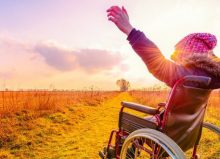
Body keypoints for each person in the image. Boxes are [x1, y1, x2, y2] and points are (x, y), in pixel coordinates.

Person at [106, 6, 220, 89]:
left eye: (181, 53)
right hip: (187, 121)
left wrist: (130, 31)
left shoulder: (191, 76)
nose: (178, 60)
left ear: (192, 53)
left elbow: (158, 65)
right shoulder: (210, 77)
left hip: (173, 122)